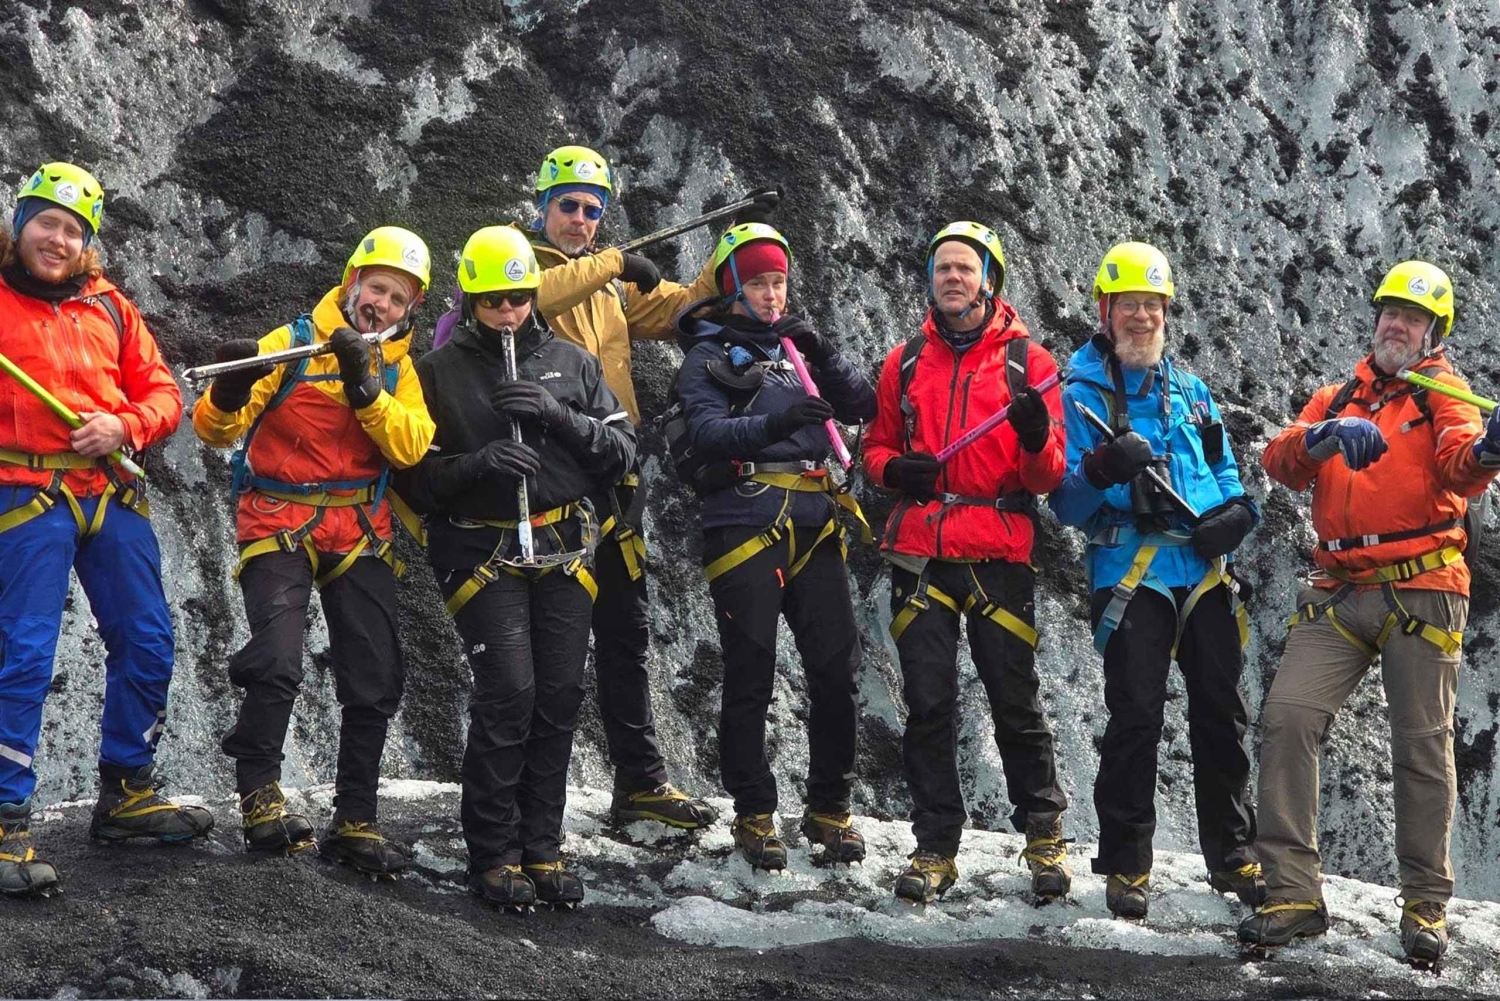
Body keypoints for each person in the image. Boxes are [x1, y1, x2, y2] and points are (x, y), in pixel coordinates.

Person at [468, 144, 743, 832]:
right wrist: (614, 262)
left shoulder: (610, 288)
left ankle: (640, 780)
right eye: (569, 206)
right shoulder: (520, 271)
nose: (582, 220)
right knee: (540, 654)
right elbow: (540, 291)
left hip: (612, 470)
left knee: (625, 630)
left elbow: (684, 307)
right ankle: (524, 806)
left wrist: (736, 247)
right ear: (543, 207)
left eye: (593, 210)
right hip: (547, 478)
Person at [1239, 260, 1496, 967]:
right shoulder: (1338, 393)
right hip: (1339, 586)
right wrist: (1325, 436)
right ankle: (1292, 892)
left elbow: (1459, 464)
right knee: (1289, 714)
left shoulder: (1444, 394)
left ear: (1433, 332)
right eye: (1389, 311)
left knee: (1421, 745)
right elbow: (1282, 460)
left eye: (1411, 317)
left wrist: (1490, 448)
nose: (1395, 324)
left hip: (1422, 585)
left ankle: (1425, 906)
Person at [395, 226, 635, 910]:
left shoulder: (572, 360)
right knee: (510, 691)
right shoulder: (436, 371)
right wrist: (478, 463)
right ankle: (493, 852)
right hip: (481, 549)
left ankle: (543, 845)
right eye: (494, 300)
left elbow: (622, 452)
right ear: (470, 299)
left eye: (519, 299)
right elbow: (412, 478)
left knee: (559, 694)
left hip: (564, 548)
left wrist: (560, 416)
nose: (507, 312)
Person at [192, 226, 436, 876]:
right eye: (376, 288)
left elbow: (412, 445)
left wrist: (367, 390)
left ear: (410, 311)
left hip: (358, 527)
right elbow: (218, 432)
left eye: (397, 298)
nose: (381, 304)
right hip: (279, 518)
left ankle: (356, 818)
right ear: (353, 282)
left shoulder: (401, 368)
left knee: (375, 673)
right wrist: (228, 392)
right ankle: (260, 795)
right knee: (275, 658)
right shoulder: (293, 342)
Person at [0, 162, 210, 897]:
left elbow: (162, 392)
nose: (56, 238)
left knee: (148, 638)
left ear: (86, 241)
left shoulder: (109, 306)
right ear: (20, 222)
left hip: (109, 490)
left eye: (71, 228)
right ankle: (2, 818)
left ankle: (126, 793)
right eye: (45, 222)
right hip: (23, 492)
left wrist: (122, 422)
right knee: (23, 651)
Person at [1049, 242, 1263, 921]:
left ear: (1166, 311)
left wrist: (1237, 516)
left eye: (1153, 304)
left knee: (1220, 710)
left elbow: (1225, 476)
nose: (1143, 316)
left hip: (1200, 569)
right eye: (1130, 304)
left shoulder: (1191, 392)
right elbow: (1066, 504)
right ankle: (1127, 860)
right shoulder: (1080, 394)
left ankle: (1231, 851)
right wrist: (1105, 467)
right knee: (1138, 711)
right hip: (1129, 566)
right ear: (1106, 311)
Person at [862, 222, 1071, 905]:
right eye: (942, 267)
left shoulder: (1027, 364)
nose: (953, 277)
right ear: (931, 278)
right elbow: (874, 450)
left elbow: (1047, 475)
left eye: (965, 267)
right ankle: (934, 847)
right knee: (928, 705)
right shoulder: (906, 362)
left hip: (998, 549)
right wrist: (897, 468)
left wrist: (1036, 435)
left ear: (990, 278)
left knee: (1014, 701)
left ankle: (1043, 836)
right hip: (921, 550)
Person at [673, 223, 875, 869]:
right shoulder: (707, 357)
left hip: (817, 522)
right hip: (743, 520)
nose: (771, 293)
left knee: (836, 673)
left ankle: (829, 808)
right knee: (750, 674)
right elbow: (705, 430)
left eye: (779, 281)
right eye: (758, 282)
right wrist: (776, 422)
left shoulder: (800, 351)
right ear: (733, 287)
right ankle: (754, 812)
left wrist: (826, 353)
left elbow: (863, 402)